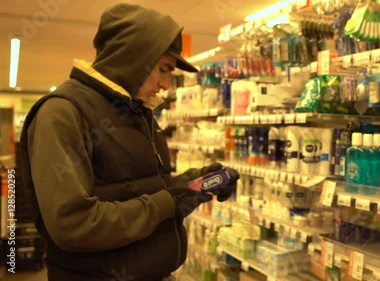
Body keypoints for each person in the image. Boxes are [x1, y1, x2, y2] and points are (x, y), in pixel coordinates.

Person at [18, 3, 239, 281]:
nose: (165, 85)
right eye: (162, 69)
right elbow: (73, 224)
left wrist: (193, 183)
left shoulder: (135, 111)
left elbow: (140, 187)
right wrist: (167, 203)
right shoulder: (62, 113)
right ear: (133, 57)